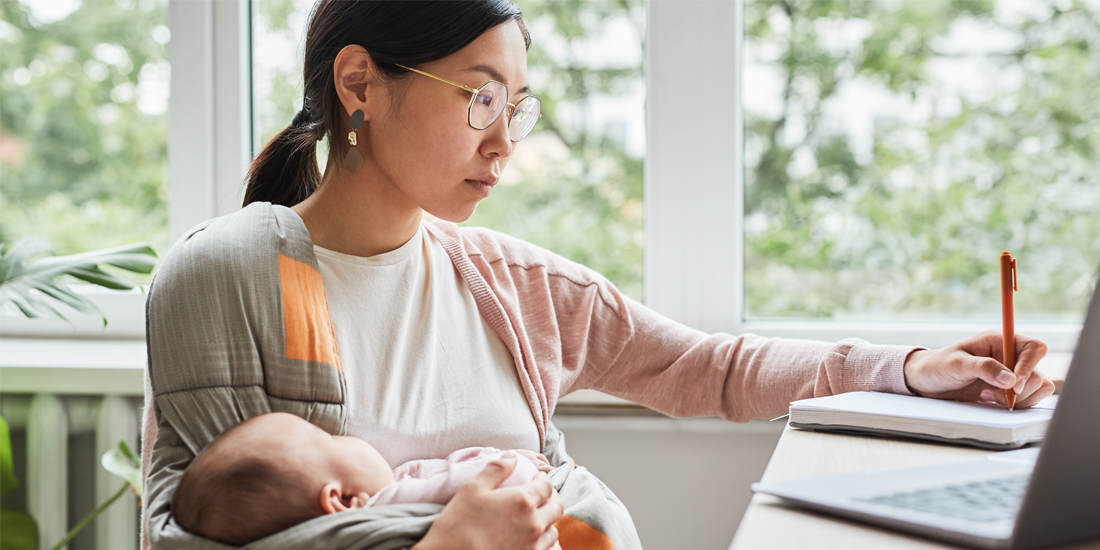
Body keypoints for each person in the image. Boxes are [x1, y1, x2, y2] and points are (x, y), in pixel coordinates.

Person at [141, 0, 1056, 549]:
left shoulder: (506, 284)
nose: (504, 141)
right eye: (479, 98)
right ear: (359, 83)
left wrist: (911, 368)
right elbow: (191, 534)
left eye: (518, 107)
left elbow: (711, 368)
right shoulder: (233, 279)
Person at [172, 413, 550, 546]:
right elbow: (506, 486)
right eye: (329, 440)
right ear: (343, 500)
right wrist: (510, 459)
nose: (342, 435)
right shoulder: (389, 506)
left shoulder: (391, 493)